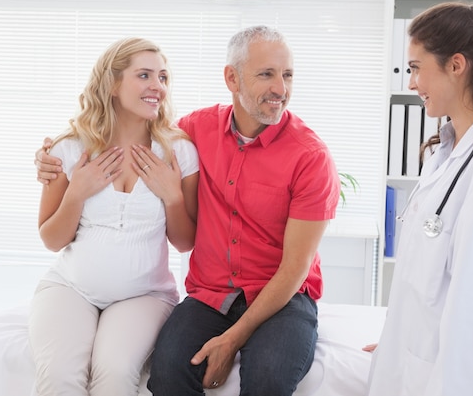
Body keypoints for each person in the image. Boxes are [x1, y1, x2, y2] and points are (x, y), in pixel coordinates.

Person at [36, 25, 341, 396]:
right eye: (266, 74)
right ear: (232, 77)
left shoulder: (309, 156)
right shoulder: (197, 130)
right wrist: (51, 163)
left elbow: (295, 269)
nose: (281, 88)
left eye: (287, 75)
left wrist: (232, 339)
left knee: (268, 379)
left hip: (281, 297)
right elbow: (138, 129)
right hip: (211, 295)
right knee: (167, 373)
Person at [366, 2, 473, 396]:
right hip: (413, 367)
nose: (411, 83)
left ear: (456, 65)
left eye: (416, 67)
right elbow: (427, 284)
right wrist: (398, 344)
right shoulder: (444, 153)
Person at [30, 37, 199, 396]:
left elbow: (186, 242)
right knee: (59, 377)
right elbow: (51, 239)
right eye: (144, 75)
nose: (158, 87)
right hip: (71, 289)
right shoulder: (69, 149)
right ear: (112, 84)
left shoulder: (178, 151)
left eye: (163, 77)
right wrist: (76, 192)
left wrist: (171, 196)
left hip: (145, 295)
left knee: (115, 373)